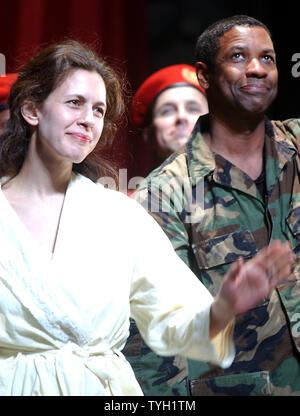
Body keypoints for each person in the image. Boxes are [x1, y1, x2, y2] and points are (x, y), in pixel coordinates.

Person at [0, 39, 293, 396]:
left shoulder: (119, 215)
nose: (88, 119)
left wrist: (223, 307)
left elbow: (175, 317)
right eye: (75, 103)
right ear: (32, 110)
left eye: (98, 110)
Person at [135, 14, 300, 396]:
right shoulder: (163, 194)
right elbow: (154, 335)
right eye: (239, 57)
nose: (257, 69)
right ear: (204, 76)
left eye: (268, 58)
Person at [131, 64, 208, 176]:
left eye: (193, 109)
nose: (181, 117)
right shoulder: (125, 194)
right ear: (149, 134)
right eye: (167, 111)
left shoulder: (240, 190)